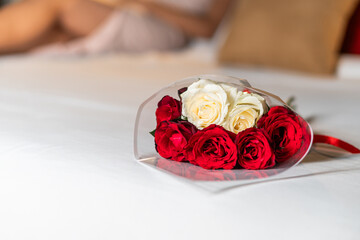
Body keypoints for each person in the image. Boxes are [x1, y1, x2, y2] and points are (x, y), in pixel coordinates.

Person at [0, 0, 232, 56]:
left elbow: (207, 29)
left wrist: (143, 3)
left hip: (167, 31)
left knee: (63, 6)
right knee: (54, 30)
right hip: (129, 11)